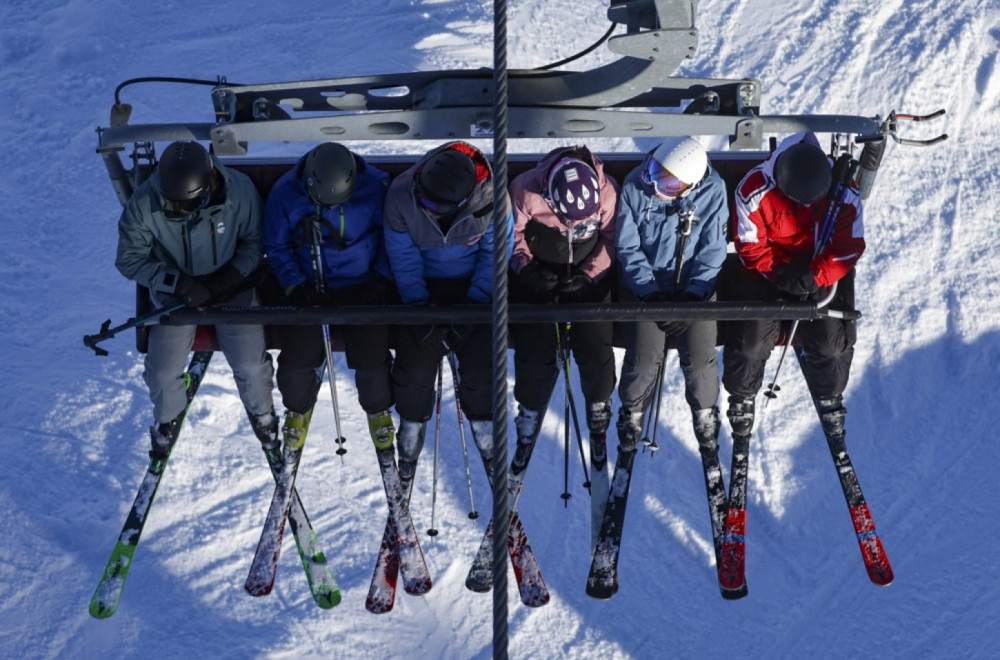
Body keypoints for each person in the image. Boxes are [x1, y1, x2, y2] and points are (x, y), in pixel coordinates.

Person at [115, 140, 276, 455]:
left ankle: (262, 412)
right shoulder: (146, 203)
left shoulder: (238, 193)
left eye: (184, 205)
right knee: (161, 372)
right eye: (171, 203)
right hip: (178, 291)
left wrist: (227, 280)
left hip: (231, 282)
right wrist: (174, 282)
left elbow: (256, 244)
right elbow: (129, 259)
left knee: (250, 364)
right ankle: (168, 416)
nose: (177, 211)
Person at [383, 141, 513, 492]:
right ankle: (409, 438)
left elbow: (494, 259)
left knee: (482, 364)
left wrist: (472, 308)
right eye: (424, 200)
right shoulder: (402, 196)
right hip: (423, 289)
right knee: (414, 365)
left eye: (436, 206)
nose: (427, 208)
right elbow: (404, 260)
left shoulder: (492, 200)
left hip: (472, 290)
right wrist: (419, 310)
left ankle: (486, 432)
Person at [613, 135, 728, 529]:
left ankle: (706, 415)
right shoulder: (635, 187)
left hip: (694, 291)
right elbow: (628, 248)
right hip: (648, 290)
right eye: (654, 173)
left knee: (700, 359)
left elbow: (713, 248)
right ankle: (630, 413)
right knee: (644, 358)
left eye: (667, 183)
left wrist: (694, 297)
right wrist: (649, 293)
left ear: (689, 186)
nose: (655, 184)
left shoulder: (712, 192)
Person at [723, 132, 865, 440]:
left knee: (831, 342)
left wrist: (816, 275)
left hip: (819, 265)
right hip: (771, 269)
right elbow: (750, 246)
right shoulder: (754, 189)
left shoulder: (842, 189)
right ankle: (742, 394)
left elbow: (848, 246)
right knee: (751, 341)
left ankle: (830, 392)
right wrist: (779, 274)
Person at [507, 145, 619, 523]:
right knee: (534, 344)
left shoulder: (605, 191)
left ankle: (599, 407)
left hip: (587, 280)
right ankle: (529, 409)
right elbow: (512, 237)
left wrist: (590, 275)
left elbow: (611, 239)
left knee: (594, 342)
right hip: (541, 277)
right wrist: (525, 269)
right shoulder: (526, 192)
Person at [263, 142, 396, 452]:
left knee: (372, 360)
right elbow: (277, 248)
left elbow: (394, 236)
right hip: (312, 289)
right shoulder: (286, 194)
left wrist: (379, 279)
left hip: (363, 288)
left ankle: (378, 410)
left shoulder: (377, 187)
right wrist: (297, 287)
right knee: (296, 363)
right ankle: (298, 408)